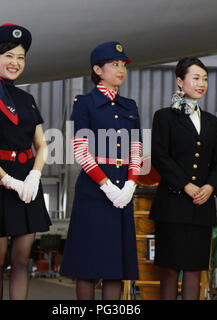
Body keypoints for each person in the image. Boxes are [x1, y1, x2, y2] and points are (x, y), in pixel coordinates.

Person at [0, 24, 51, 300]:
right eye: (9, 56)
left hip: (26, 185)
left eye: (21, 57)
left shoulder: (27, 99)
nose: (15, 63)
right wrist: (5, 177)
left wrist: (35, 176)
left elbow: (41, 145)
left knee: (21, 259)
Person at [59, 41, 142, 300]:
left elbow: (136, 150)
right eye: (113, 65)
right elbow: (81, 151)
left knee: (115, 268)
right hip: (94, 194)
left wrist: (130, 185)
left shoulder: (130, 106)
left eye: (122, 65)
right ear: (97, 69)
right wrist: (107, 186)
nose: (120, 70)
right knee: (87, 267)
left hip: (123, 194)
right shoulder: (84, 103)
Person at [150, 57, 217, 300]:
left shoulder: (212, 121)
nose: (201, 83)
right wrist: (186, 184)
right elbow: (160, 157)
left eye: (205, 79)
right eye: (195, 78)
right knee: (170, 269)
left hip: (201, 206)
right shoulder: (164, 116)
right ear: (180, 81)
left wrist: (210, 186)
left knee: (195, 269)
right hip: (172, 206)